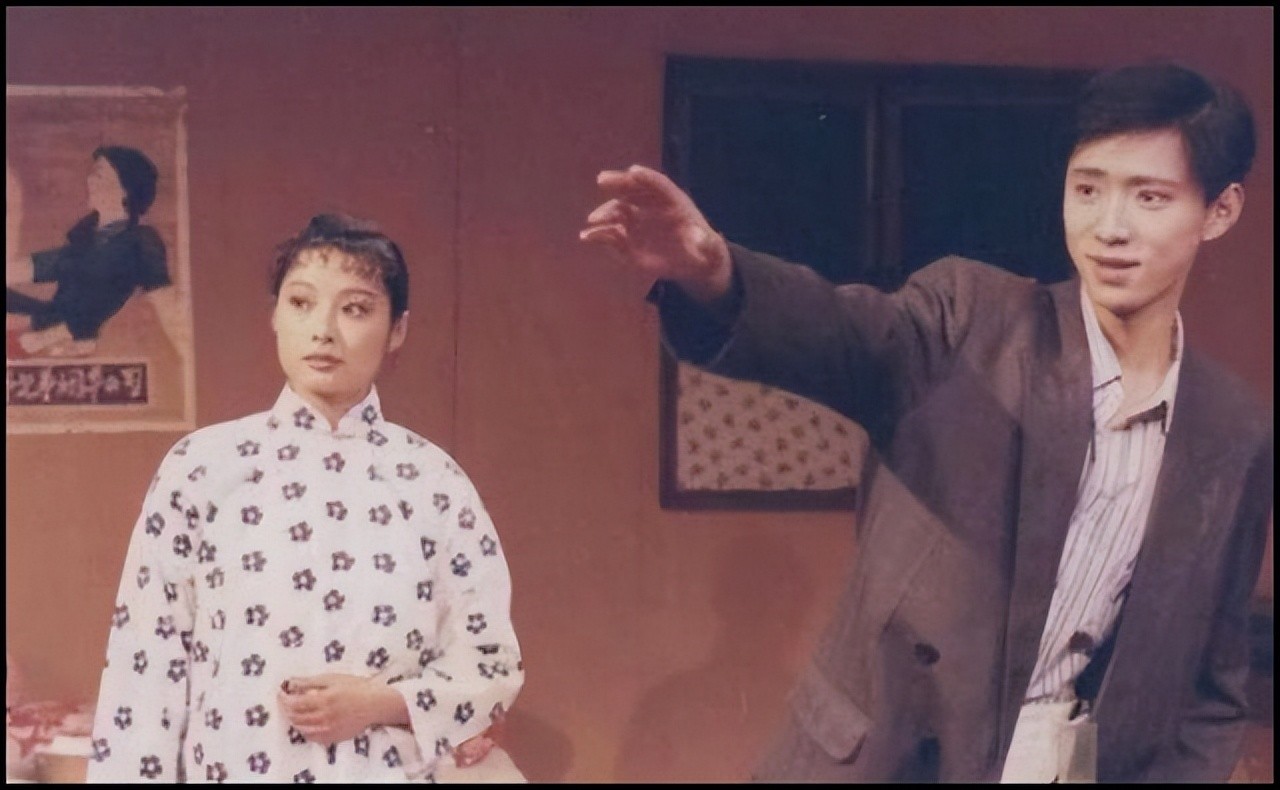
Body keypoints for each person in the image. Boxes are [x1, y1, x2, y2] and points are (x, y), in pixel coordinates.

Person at [580, 62, 1272, 782]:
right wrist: (712, 269)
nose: (1110, 228)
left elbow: (1213, 684)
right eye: (1087, 189)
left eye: (1150, 197)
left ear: (1220, 211)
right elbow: (843, 332)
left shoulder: (1233, 433)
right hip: (886, 762)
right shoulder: (973, 323)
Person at [86, 214, 523, 783]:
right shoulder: (202, 468)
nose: (323, 330)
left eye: (355, 309)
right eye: (301, 303)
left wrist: (382, 703)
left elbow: (489, 665)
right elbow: (143, 671)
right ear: (275, 316)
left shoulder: (434, 483)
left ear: (397, 330)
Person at [6, 145, 172, 358]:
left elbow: (164, 302)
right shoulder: (86, 237)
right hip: (51, 321)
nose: (90, 181)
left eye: (99, 175)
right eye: (92, 174)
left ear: (125, 189)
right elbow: (44, 265)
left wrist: (50, 335)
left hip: (73, 333)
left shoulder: (140, 241)